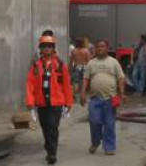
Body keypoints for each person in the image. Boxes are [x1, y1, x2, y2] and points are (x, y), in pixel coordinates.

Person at [26, 35, 74, 165]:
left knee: (53, 127)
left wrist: (68, 103)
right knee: (45, 128)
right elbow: (30, 85)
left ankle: (52, 153)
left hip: (56, 104)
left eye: (49, 46)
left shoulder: (60, 65)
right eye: (44, 46)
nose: (47, 48)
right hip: (41, 104)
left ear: (53, 48)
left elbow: (66, 85)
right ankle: (49, 146)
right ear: (40, 49)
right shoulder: (36, 66)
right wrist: (30, 103)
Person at [80, 40, 126, 156]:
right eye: (98, 46)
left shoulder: (114, 62)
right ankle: (95, 142)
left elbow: (120, 78)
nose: (100, 48)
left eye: (103, 46)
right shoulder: (91, 63)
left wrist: (122, 92)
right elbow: (86, 79)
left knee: (109, 124)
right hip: (95, 99)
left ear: (107, 48)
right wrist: (83, 92)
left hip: (110, 98)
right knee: (94, 122)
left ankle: (109, 147)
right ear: (95, 48)